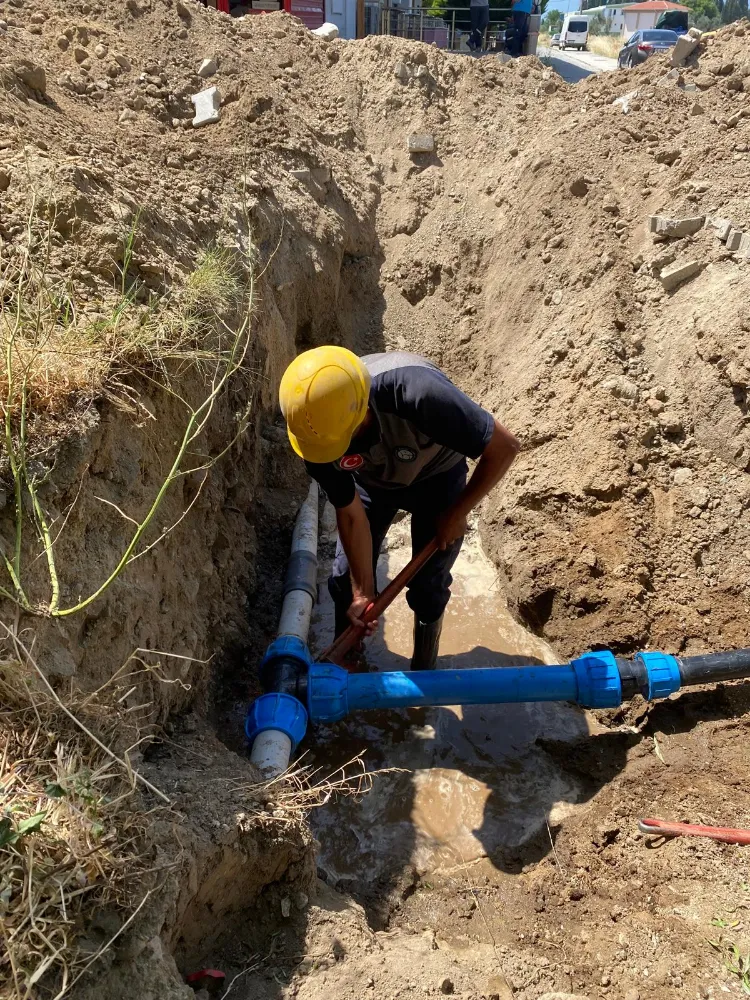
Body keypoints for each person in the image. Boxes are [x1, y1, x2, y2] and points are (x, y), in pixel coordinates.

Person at [279, 347, 520, 671]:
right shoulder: (315, 439)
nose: (331, 452)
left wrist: (457, 512)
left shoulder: (418, 393)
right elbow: (351, 515)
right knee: (344, 582)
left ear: (361, 411)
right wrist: (362, 593)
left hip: (438, 477)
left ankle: (424, 668)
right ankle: (347, 667)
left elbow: (504, 447)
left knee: (428, 587)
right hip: (372, 483)